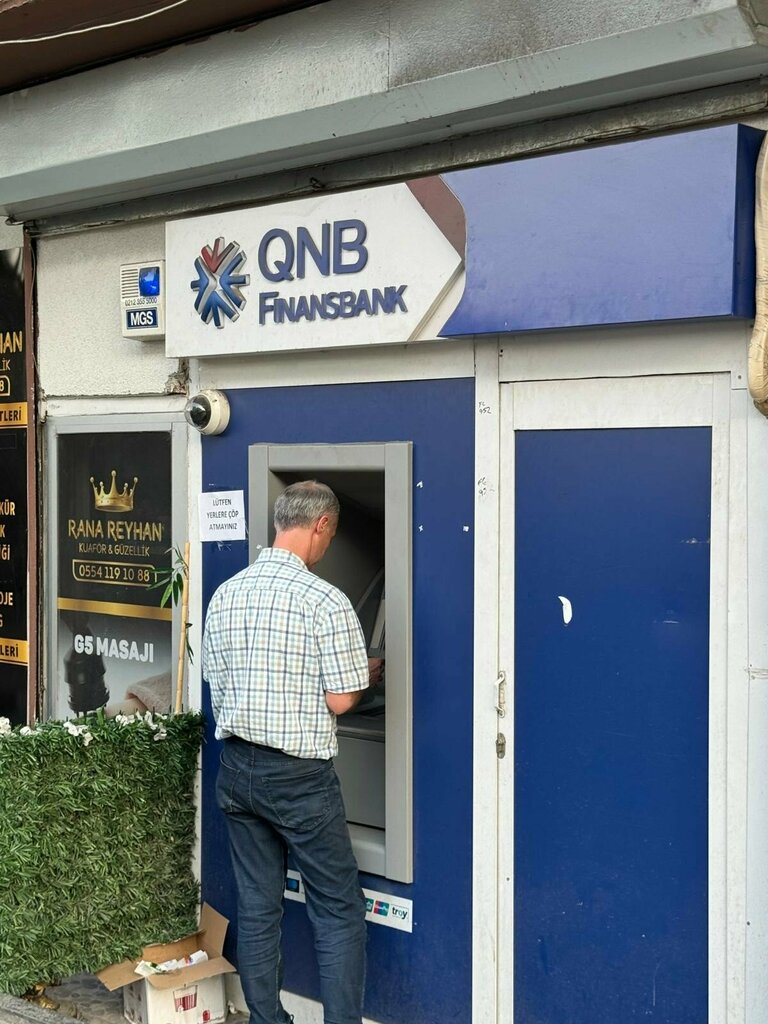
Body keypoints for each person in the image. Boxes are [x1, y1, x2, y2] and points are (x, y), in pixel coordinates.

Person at [202, 480, 381, 1024]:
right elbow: (342, 699)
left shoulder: (226, 593)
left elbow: (219, 681)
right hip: (299, 779)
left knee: (258, 908)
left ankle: (267, 1020)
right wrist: (367, 674)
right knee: (338, 910)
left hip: (237, 770)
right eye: (332, 534)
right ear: (322, 525)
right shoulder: (326, 600)